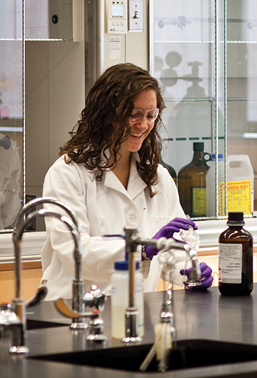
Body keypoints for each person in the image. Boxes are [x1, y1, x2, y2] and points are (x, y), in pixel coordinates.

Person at [40, 63, 213, 301]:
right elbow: (75, 252)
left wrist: (188, 270)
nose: (143, 125)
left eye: (151, 115)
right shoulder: (68, 174)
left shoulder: (157, 177)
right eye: (133, 114)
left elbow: (170, 246)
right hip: (76, 310)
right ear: (107, 114)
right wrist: (140, 249)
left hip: (137, 309)